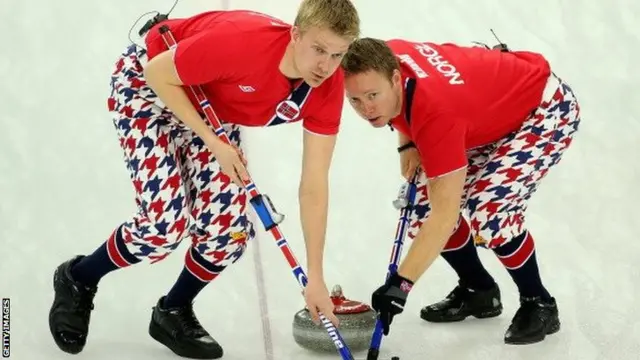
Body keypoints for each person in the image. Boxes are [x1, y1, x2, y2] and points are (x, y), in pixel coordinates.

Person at [48, 1, 360, 358]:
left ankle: (172, 311)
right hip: (148, 93)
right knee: (163, 227)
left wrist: (316, 279)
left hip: (209, 102)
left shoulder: (327, 86)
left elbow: (315, 184)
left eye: (338, 54)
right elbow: (156, 74)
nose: (326, 65)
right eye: (319, 49)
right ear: (295, 34)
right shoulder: (241, 44)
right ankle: (78, 278)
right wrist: (213, 141)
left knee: (228, 233)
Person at [341, 37, 581, 345]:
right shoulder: (384, 55)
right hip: (487, 112)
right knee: (420, 207)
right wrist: (408, 140)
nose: (366, 108)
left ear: (395, 78)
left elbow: (444, 216)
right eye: (355, 100)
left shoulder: (437, 114)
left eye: (373, 96)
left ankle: (540, 302)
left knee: (491, 211)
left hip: (545, 110)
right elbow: (405, 99)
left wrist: (399, 286)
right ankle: (479, 290)